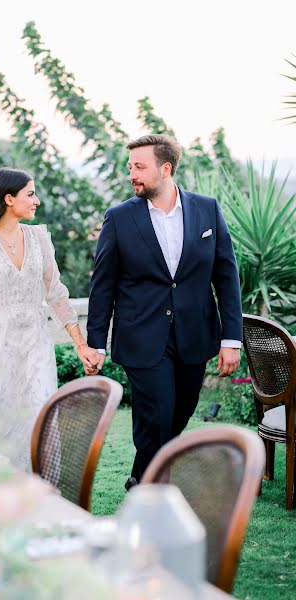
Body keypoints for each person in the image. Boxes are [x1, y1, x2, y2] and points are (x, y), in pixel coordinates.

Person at [86, 134, 242, 488]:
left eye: (139, 167)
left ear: (166, 168)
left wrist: (231, 337)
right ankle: (155, 489)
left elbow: (226, 275)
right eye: (130, 168)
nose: (132, 175)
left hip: (194, 334)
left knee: (180, 411)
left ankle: (142, 475)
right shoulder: (119, 218)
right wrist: (96, 342)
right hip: (141, 336)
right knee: (156, 412)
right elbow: (103, 285)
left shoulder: (207, 209)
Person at [0, 167, 98, 471]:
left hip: (37, 349)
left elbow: (56, 293)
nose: (37, 201)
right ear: (8, 198)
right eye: (30, 194)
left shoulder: (39, 238)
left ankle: (40, 496)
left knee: (38, 418)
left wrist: (81, 345)